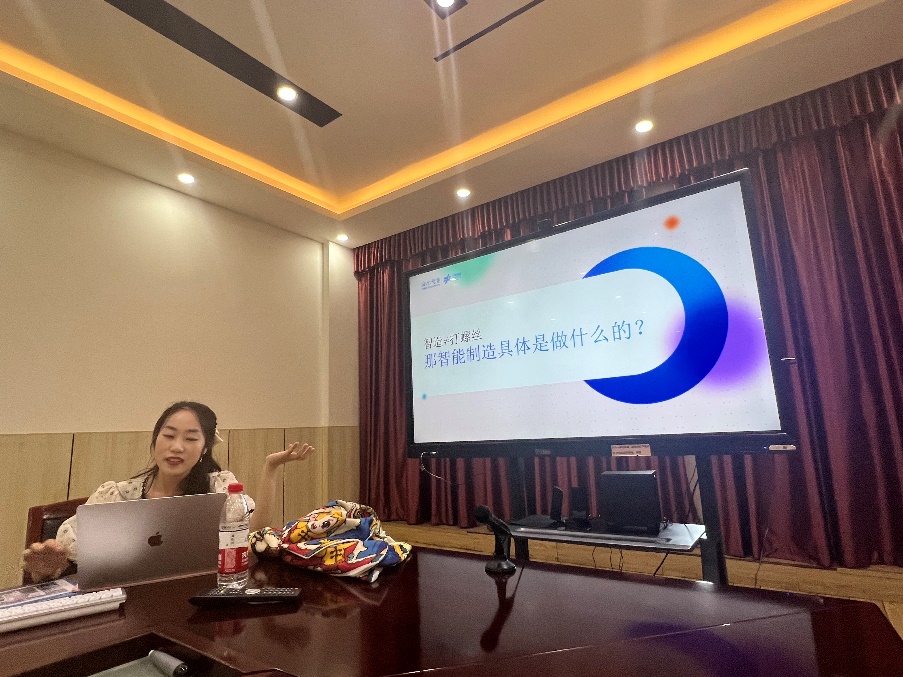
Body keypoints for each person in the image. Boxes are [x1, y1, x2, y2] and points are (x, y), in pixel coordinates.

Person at [21, 401, 314, 582]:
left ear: (204, 449)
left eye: (191, 439)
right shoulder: (116, 496)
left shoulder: (217, 490)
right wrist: (49, 566)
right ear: (155, 440)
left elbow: (254, 529)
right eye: (169, 435)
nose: (176, 447)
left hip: (195, 610)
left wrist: (270, 467)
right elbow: (67, 560)